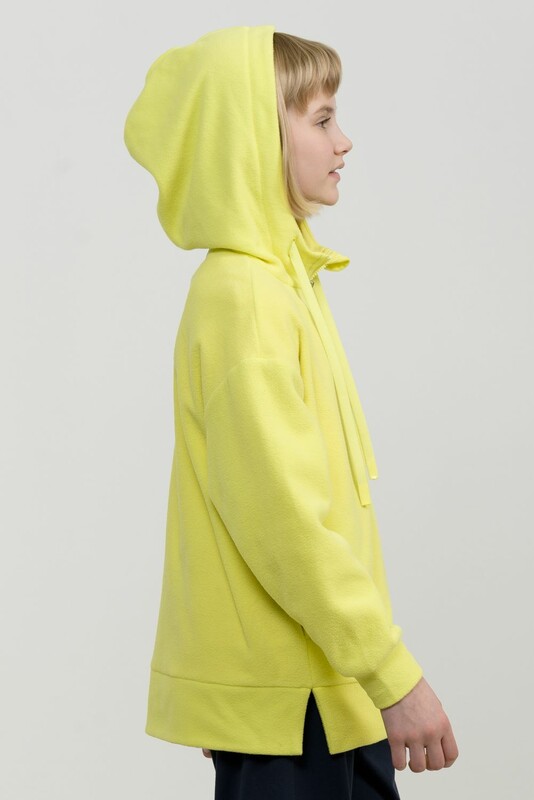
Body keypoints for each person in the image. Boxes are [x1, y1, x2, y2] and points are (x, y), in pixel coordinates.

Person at [123, 24, 458, 799]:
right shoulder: (245, 298)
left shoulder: (281, 283)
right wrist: (395, 677)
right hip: (298, 709)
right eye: (322, 119)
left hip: (321, 696)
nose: (345, 141)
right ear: (256, 138)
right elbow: (284, 525)